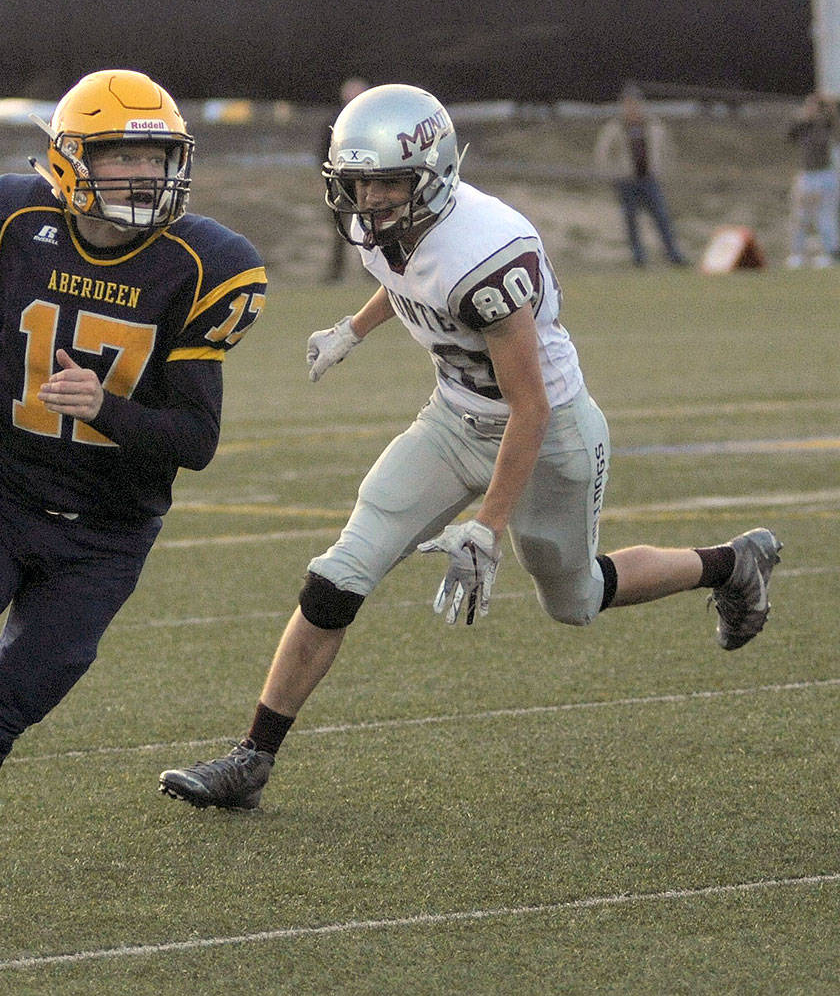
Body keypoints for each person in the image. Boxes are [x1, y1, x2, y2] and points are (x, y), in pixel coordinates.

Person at [158, 84, 782, 812]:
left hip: (548, 438)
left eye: (389, 181)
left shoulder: (486, 254)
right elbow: (405, 278)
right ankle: (252, 757)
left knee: (574, 599)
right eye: (360, 182)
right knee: (335, 577)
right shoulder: (391, 225)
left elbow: (531, 406)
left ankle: (732, 564)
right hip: (453, 420)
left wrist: (487, 526)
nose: (371, 199)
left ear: (433, 172)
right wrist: (353, 329)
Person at [0, 69, 267, 926]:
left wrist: (108, 407)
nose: (144, 175)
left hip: (107, 539)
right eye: (122, 154)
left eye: (158, 155)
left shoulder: (200, 265)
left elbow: (198, 442)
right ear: (69, 159)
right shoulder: (14, 221)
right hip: (7, 499)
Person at [593, 84, 687, 267]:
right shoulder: (615, 127)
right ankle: (638, 257)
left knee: (662, 217)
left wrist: (665, 170)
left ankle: (673, 253)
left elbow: (666, 150)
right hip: (627, 181)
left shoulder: (652, 125)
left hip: (649, 179)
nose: (632, 108)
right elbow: (603, 153)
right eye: (628, 104)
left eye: (635, 103)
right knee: (631, 221)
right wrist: (611, 174)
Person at [321, 76, 371, 282]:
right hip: (341, 186)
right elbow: (323, 152)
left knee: (372, 229)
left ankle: (373, 272)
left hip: (368, 184)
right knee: (340, 232)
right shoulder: (334, 121)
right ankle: (335, 274)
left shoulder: (372, 122)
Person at [785, 92, 839, 268]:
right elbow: (789, 135)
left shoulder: (827, 125)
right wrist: (804, 116)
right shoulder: (804, 126)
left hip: (824, 174)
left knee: (825, 216)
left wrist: (829, 109)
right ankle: (797, 254)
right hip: (806, 175)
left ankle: (829, 253)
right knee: (800, 217)